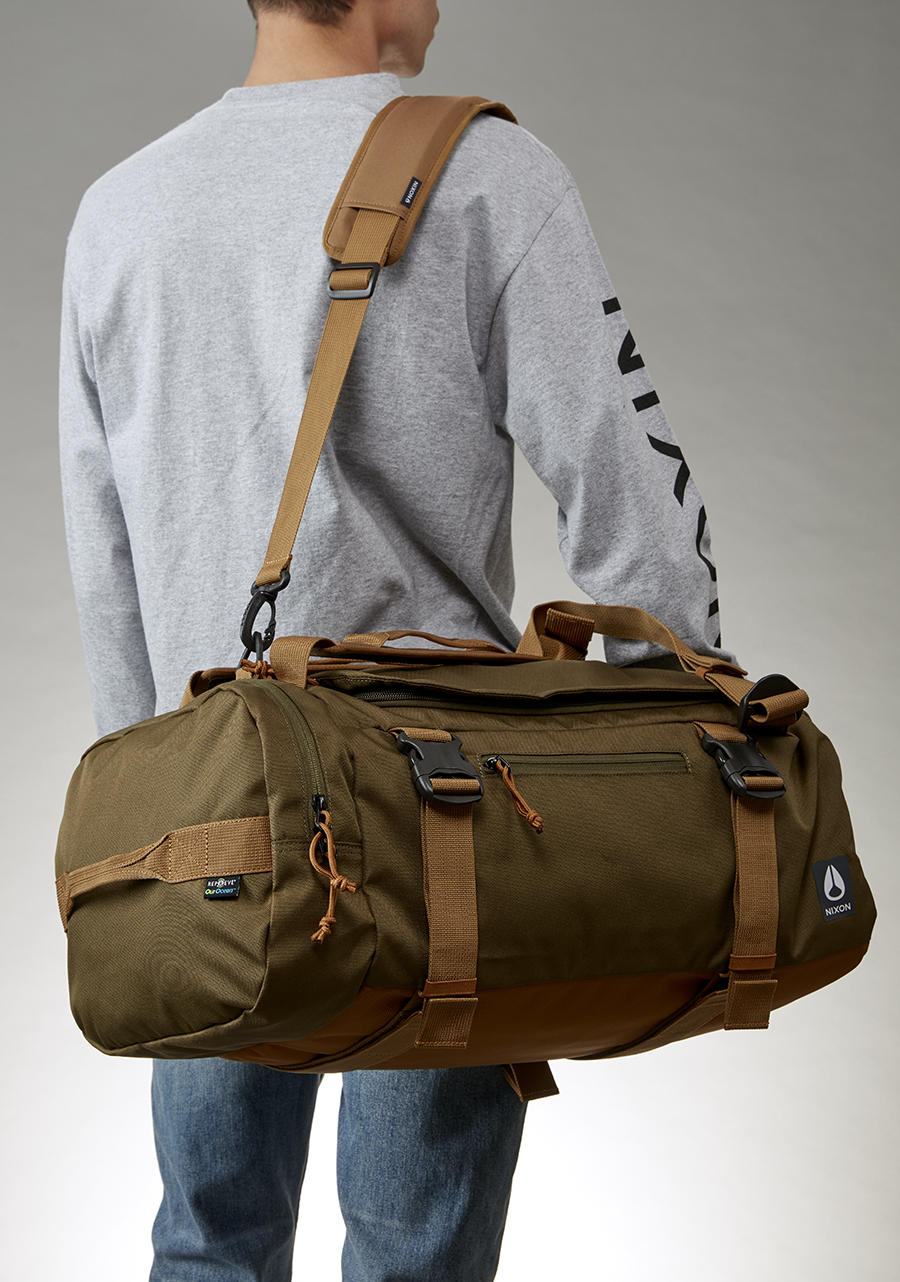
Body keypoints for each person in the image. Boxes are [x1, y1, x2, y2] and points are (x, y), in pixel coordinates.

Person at [59, 2, 732, 1278]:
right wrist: (687, 744)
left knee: (208, 1243)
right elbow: (626, 490)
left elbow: (108, 557)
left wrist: (145, 816)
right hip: (439, 815)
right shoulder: (488, 173)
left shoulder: (119, 211)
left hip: (203, 816)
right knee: (415, 1259)